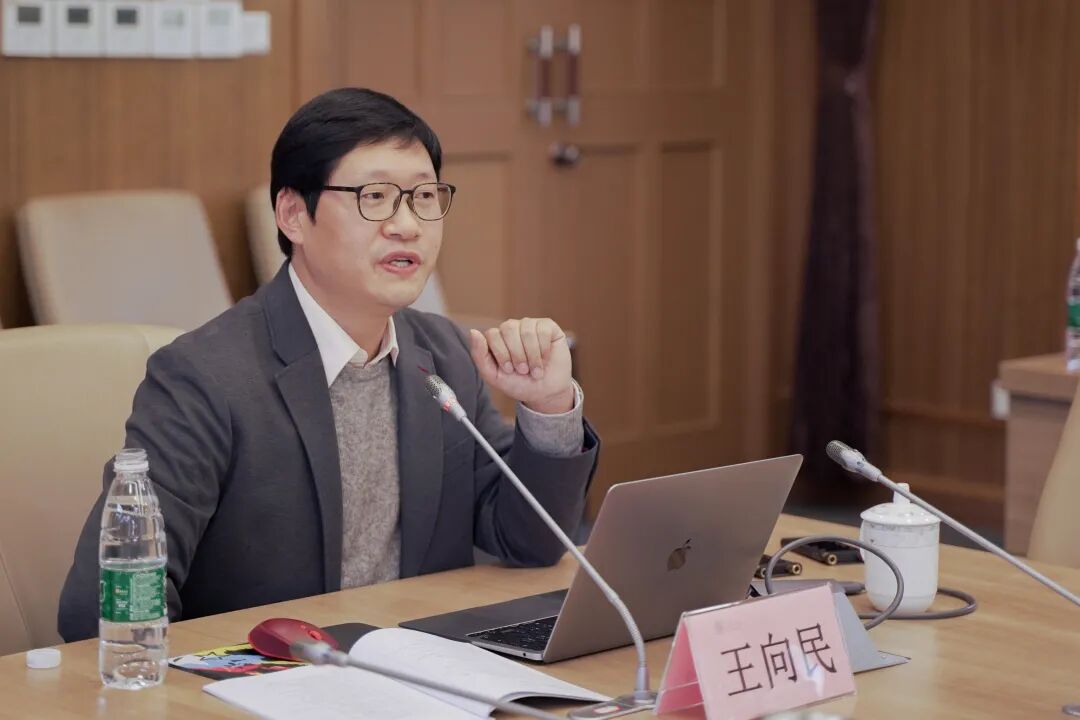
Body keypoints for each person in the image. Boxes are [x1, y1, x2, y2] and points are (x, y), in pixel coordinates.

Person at [57, 88, 599, 641]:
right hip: (271, 675)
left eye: (423, 196)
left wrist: (548, 406)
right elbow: (104, 604)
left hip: (421, 664)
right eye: (375, 196)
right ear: (294, 214)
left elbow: (529, 541)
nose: (407, 224)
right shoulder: (204, 378)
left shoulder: (444, 354)